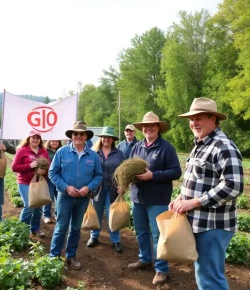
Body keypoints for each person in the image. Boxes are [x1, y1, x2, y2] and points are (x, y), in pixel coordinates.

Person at [169, 97, 244, 290]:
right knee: (204, 274)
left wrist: (194, 202)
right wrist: (180, 198)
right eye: (191, 119)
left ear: (213, 119)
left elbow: (233, 185)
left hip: (213, 225)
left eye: (199, 118)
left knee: (210, 278)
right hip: (200, 223)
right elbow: (196, 179)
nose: (193, 122)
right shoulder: (200, 144)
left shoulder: (223, 146)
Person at [127, 111, 182, 286]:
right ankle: (144, 259)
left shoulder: (166, 148)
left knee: (158, 235)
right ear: (142, 129)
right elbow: (129, 167)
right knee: (141, 232)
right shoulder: (137, 147)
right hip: (137, 198)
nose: (148, 128)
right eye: (145, 126)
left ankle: (162, 269)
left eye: (151, 125)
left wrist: (154, 175)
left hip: (157, 199)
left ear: (158, 128)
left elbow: (176, 172)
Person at [49, 121, 103, 270]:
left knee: (75, 228)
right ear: (71, 136)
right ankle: (54, 257)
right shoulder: (62, 152)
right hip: (65, 197)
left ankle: (70, 256)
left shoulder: (93, 155)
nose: (78, 136)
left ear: (86, 136)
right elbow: (52, 173)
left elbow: (98, 175)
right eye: (75, 133)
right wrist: (66, 188)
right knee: (61, 227)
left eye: (81, 134)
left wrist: (88, 187)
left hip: (83, 198)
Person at [86, 126, 125, 253]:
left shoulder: (119, 153)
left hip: (113, 189)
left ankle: (115, 240)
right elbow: (89, 171)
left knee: (112, 214)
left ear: (113, 139)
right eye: (104, 137)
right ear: (101, 138)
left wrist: (123, 185)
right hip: (97, 188)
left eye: (109, 137)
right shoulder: (93, 152)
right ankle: (94, 236)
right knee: (95, 213)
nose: (106, 139)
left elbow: (124, 172)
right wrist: (89, 187)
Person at [12, 130, 50, 238]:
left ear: (40, 140)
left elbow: (48, 166)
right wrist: (29, 165)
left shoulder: (43, 152)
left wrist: (44, 172)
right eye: (33, 137)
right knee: (29, 206)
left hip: (39, 182)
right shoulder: (22, 151)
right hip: (25, 183)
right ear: (29, 139)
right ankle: (21, 230)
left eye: (37, 138)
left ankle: (35, 229)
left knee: (38, 206)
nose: (35, 140)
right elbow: (14, 167)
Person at [43, 140, 62, 223]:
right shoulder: (45, 152)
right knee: (49, 197)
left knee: (59, 197)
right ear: (49, 142)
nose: (55, 143)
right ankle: (46, 215)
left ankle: (57, 214)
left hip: (60, 178)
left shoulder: (62, 151)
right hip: (49, 178)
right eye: (53, 141)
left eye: (56, 142)